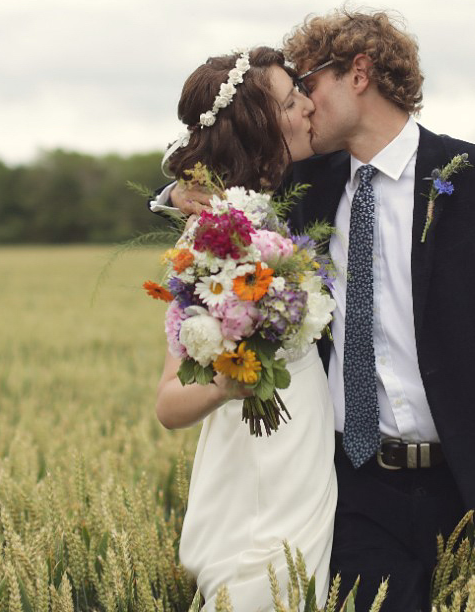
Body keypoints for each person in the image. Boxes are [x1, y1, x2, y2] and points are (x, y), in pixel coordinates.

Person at [166, 9, 475, 611]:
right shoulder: (306, 187)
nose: (301, 102)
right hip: (354, 494)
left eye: (309, 82)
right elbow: (224, 153)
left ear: (359, 73)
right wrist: (173, 193)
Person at [152, 46, 336, 611]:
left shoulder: (275, 209)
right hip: (263, 465)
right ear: (260, 128)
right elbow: (168, 402)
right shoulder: (212, 240)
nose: (308, 106)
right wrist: (233, 382)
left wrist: (172, 190)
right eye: (290, 101)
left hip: (304, 459)